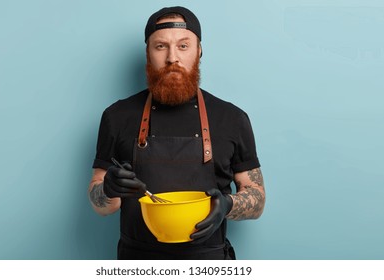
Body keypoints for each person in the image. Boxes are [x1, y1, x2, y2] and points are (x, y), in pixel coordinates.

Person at [88, 6, 265, 260]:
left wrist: (228, 204)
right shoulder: (116, 116)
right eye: (161, 46)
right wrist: (107, 189)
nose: (173, 58)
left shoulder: (232, 118)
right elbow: (102, 207)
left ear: (199, 50)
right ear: (148, 53)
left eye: (183, 46)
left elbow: (257, 199)